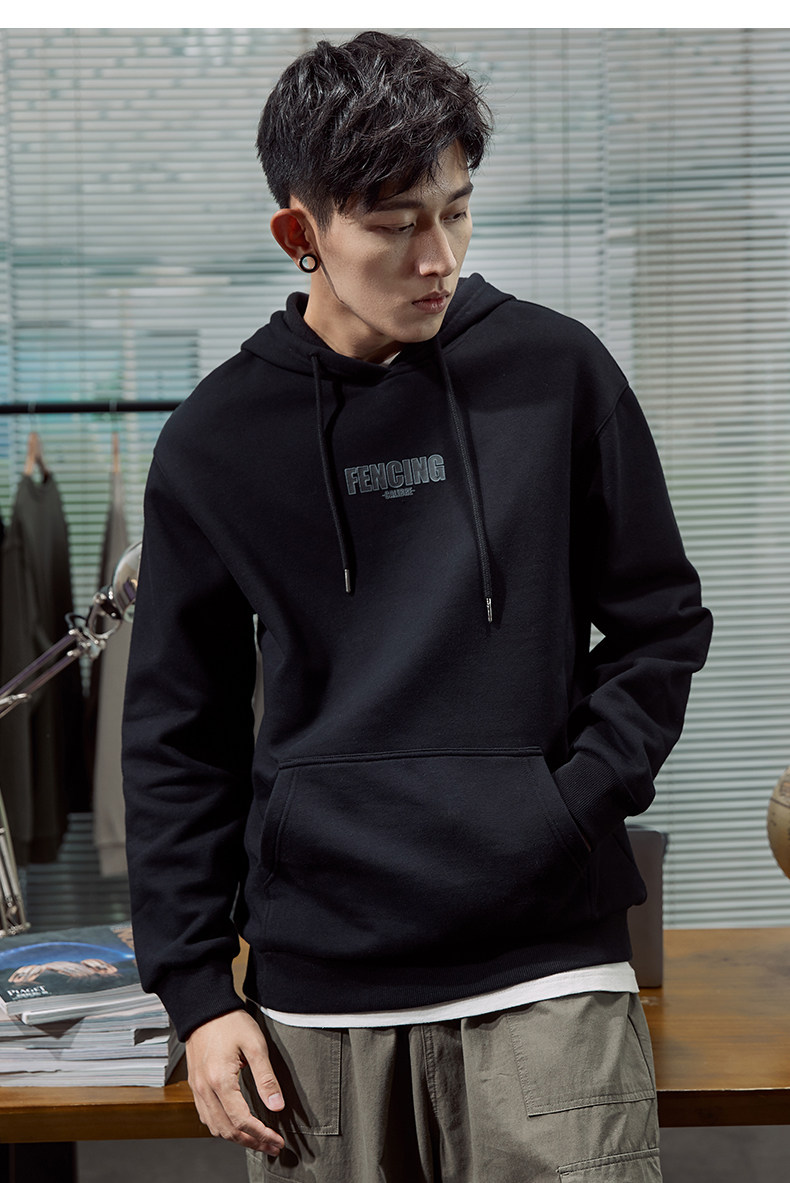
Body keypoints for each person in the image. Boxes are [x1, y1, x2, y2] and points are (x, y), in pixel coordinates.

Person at [122, 31, 713, 1183]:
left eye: (456, 210)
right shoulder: (215, 441)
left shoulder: (557, 374)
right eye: (395, 225)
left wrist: (567, 806)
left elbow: (660, 622)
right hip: (318, 999)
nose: (436, 256)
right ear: (300, 233)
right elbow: (177, 737)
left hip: (547, 971)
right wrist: (196, 992)